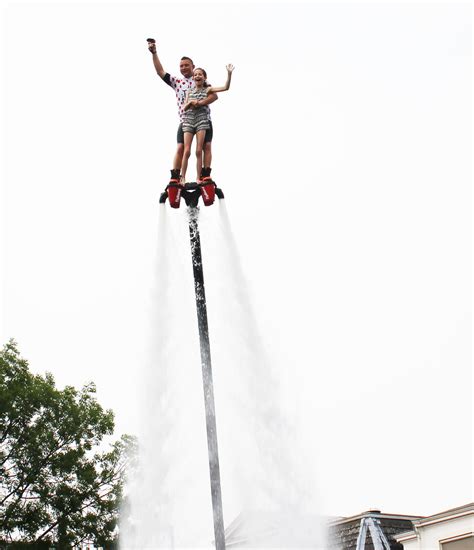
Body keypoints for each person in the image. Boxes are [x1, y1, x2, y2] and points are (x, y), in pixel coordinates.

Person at [147, 39, 218, 185]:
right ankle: (176, 175)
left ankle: (205, 174)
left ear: (193, 66)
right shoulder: (177, 82)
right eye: (181, 66)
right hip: (186, 120)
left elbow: (213, 96)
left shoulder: (200, 79)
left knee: (206, 146)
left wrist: (199, 103)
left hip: (203, 118)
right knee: (181, 148)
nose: (184, 68)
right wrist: (154, 53)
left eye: (186, 65)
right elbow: (160, 72)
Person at [180, 65, 234, 183]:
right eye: (195, 75)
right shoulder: (190, 91)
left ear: (205, 77)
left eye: (200, 74)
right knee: (187, 150)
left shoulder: (207, 89)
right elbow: (184, 107)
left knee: (199, 150)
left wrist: (229, 74)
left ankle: (199, 177)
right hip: (189, 119)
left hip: (202, 120)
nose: (197, 76)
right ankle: (182, 177)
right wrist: (190, 103)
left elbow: (225, 87)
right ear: (193, 78)